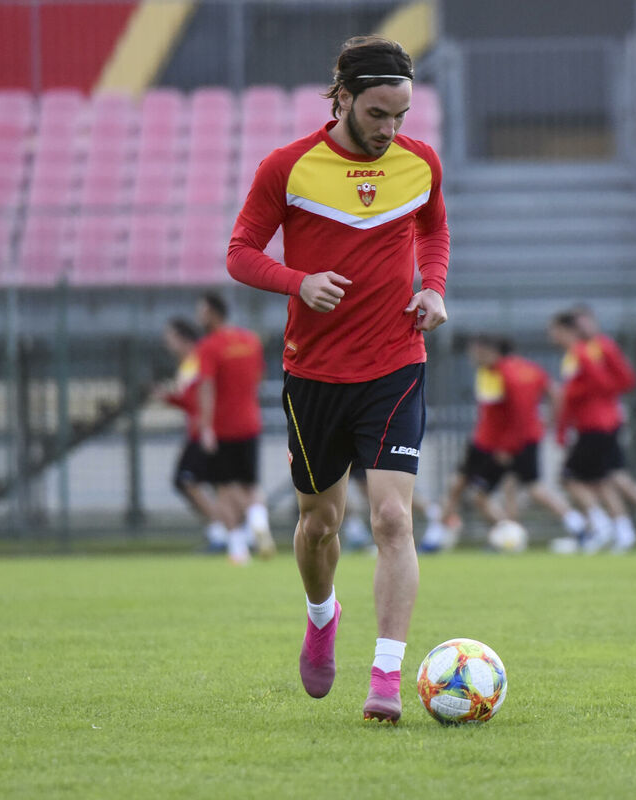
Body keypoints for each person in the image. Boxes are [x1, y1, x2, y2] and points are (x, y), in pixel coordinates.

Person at [227, 35, 449, 723]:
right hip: (315, 373)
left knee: (392, 519)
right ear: (344, 98)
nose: (390, 130)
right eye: (378, 114)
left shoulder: (420, 163)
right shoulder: (288, 167)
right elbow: (240, 253)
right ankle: (322, 614)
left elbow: (433, 232)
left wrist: (433, 287)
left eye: (401, 116)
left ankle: (386, 677)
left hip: (395, 364)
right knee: (319, 524)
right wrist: (298, 281)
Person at [421, 335, 577, 552]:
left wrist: (510, 445)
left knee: (477, 491)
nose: (472, 356)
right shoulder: (512, 369)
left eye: (477, 351)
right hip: (497, 441)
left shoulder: (505, 373)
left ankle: (441, 536)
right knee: (506, 488)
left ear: (491, 351)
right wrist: (545, 424)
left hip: (497, 444)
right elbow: (551, 392)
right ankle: (508, 533)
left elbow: (520, 412)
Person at [549, 312, 636, 554]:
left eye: (555, 331)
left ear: (567, 331)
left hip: (597, 425)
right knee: (601, 479)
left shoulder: (583, 352)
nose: (552, 337)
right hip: (595, 424)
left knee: (569, 477)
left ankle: (603, 526)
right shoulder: (577, 354)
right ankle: (623, 531)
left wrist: (577, 394)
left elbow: (603, 384)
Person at [194, 292, 273, 561]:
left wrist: (206, 427)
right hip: (250, 422)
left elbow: (207, 387)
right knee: (251, 485)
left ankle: (238, 549)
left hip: (223, 428)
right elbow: (260, 377)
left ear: (213, 313)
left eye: (201, 311)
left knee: (225, 488)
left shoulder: (209, 346)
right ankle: (259, 522)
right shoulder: (250, 340)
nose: (198, 316)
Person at [159, 317, 231, 556]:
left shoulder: (198, 360)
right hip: (202, 431)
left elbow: (199, 398)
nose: (167, 344)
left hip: (204, 432)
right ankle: (225, 532)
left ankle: (224, 532)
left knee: (187, 480)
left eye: (170, 338)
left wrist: (170, 398)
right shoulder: (189, 363)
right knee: (216, 485)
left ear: (183, 339)